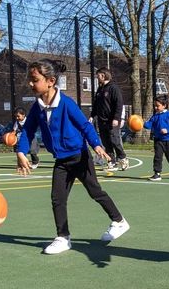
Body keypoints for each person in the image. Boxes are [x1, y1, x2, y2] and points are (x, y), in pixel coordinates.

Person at [14, 61, 129, 255]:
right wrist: (20, 152)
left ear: (50, 81)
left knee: (95, 192)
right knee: (57, 199)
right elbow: (27, 131)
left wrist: (97, 145)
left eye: (35, 80)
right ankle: (63, 237)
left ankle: (119, 221)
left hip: (79, 157)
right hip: (61, 161)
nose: (31, 84)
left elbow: (85, 126)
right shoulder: (37, 108)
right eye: (30, 81)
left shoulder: (66, 103)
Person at [91, 67, 128, 171]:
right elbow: (96, 105)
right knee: (106, 142)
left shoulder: (113, 88)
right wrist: (92, 115)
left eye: (98, 76)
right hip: (101, 120)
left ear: (103, 75)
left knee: (114, 140)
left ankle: (123, 158)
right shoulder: (100, 89)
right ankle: (111, 161)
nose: (97, 78)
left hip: (112, 120)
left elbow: (119, 104)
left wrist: (116, 118)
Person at [144, 95, 169, 181]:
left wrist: (167, 130)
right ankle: (157, 173)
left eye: (157, 105)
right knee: (157, 157)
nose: (156, 107)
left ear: (164, 105)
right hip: (158, 140)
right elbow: (149, 124)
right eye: (155, 105)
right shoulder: (155, 116)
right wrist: (142, 123)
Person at [7, 107, 41, 175]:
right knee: (20, 152)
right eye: (16, 116)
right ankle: (21, 164)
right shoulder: (17, 122)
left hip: (31, 137)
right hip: (22, 139)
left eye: (18, 116)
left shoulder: (28, 121)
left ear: (23, 115)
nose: (17, 118)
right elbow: (14, 130)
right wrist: (10, 136)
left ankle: (35, 162)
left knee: (32, 150)